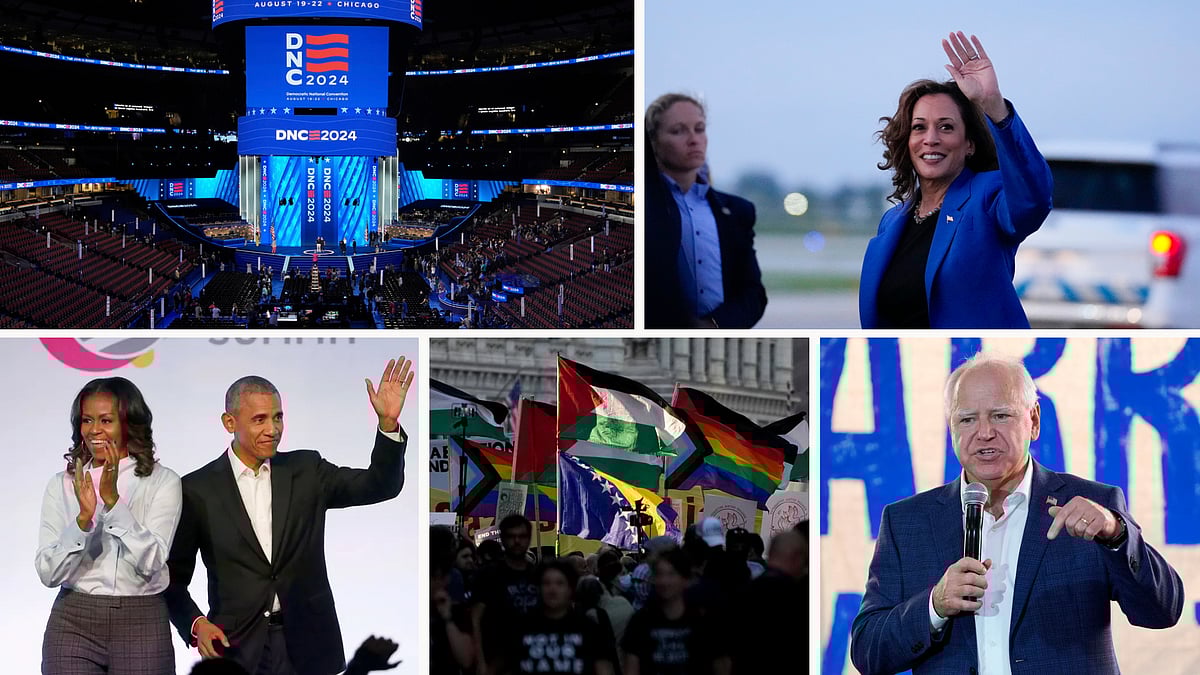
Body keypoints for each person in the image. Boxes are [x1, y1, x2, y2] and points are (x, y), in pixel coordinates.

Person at [850, 353, 1183, 674]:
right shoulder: (906, 522)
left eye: (1000, 416)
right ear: (951, 428)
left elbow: (1162, 611)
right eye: (967, 419)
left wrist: (1115, 534)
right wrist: (934, 606)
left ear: (1033, 420)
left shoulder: (1092, 506)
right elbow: (868, 651)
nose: (984, 433)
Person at [165, 357, 415, 675]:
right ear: (229, 423)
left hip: (309, 644)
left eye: (278, 417)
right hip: (236, 648)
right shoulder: (195, 489)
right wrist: (196, 624)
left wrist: (388, 425)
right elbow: (171, 579)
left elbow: (380, 486)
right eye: (259, 420)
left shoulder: (307, 470)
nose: (273, 430)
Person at [859, 32, 1053, 329]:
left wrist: (994, 106)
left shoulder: (987, 197)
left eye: (946, 127)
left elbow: (1033, 200)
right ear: (907, 142)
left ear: (969, 144)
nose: (931, 139)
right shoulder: (892, 221)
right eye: (919, 128)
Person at [37, 377, 183, 674]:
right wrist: (82, 521)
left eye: (106, 420)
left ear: (129, 424)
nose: (94, 430)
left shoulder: (162, 481)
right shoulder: (62, 484)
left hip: (141, 619)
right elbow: (48, 573)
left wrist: (114, 503)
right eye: (87, 420)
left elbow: (153, 560)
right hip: (73, 618)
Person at [644, 94, 766, 329]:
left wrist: (713, 325)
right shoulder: (648, 206)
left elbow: (753, 294)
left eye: (699, 129)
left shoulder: (737, 211)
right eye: (678, 131)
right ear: (653, 141)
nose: (694, 140)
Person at [496, 560, 616, 675]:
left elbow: (603, 670)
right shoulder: (520, 628)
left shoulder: (589, 630)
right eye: (546, 583)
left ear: (570, 589)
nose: (552, 589)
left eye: (559, 583)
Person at [622, 548, 730, 675]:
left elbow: (721, 665)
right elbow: (631, 667)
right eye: (659, 574)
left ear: (686, 579)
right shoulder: (640, 622)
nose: (664, 581)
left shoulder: (704, 622)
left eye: (671, 574)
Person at [470, 515, 541, 673]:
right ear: (503, 539)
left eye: (522, 536)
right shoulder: (488, 575)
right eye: (511, 536)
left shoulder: (538, 575)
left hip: (533, 658)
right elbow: (475, 619)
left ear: (529, 538)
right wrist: (480, 661)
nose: (517, 541)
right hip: (497, 660)